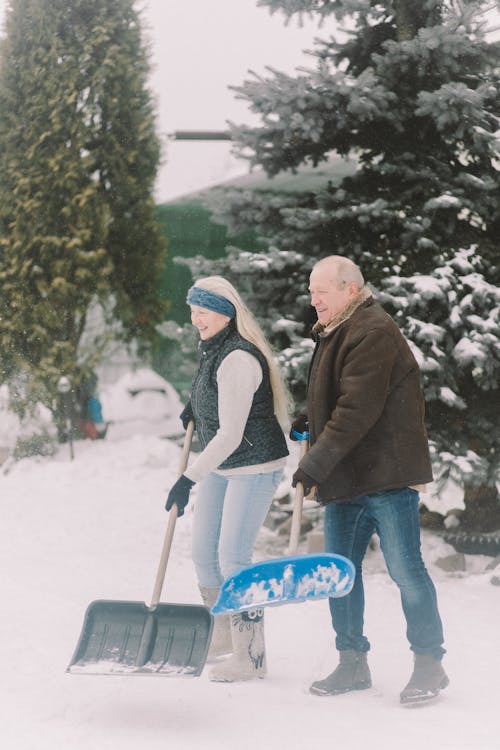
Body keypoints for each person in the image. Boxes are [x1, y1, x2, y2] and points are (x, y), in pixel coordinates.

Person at [291, 255, 448, 705]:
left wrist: (314, 465)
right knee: (340, 574)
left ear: (351, 290)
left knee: (406, 571)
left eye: (322, 289)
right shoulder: (339, 328)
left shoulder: (372, 331)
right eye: (311, 289)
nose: (313, 298)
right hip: (349, 475)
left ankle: (429, 664)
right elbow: (344, 397)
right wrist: (310, 418)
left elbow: (358, 410)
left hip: (386, 474)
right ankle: (352, 662)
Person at [165, 276, 289, 682]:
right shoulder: (215, 348)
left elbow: (232, 433)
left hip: (253, 464)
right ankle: (222, 637)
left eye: (202, 312)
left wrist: (188, 478)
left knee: (233, 558)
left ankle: (251, 656)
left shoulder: (238, 357)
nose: (195, 319)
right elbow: (214, 391)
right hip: (226, 464)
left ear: (225, 313)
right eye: (193, 312)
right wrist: (195, 407)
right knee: (204, 553)